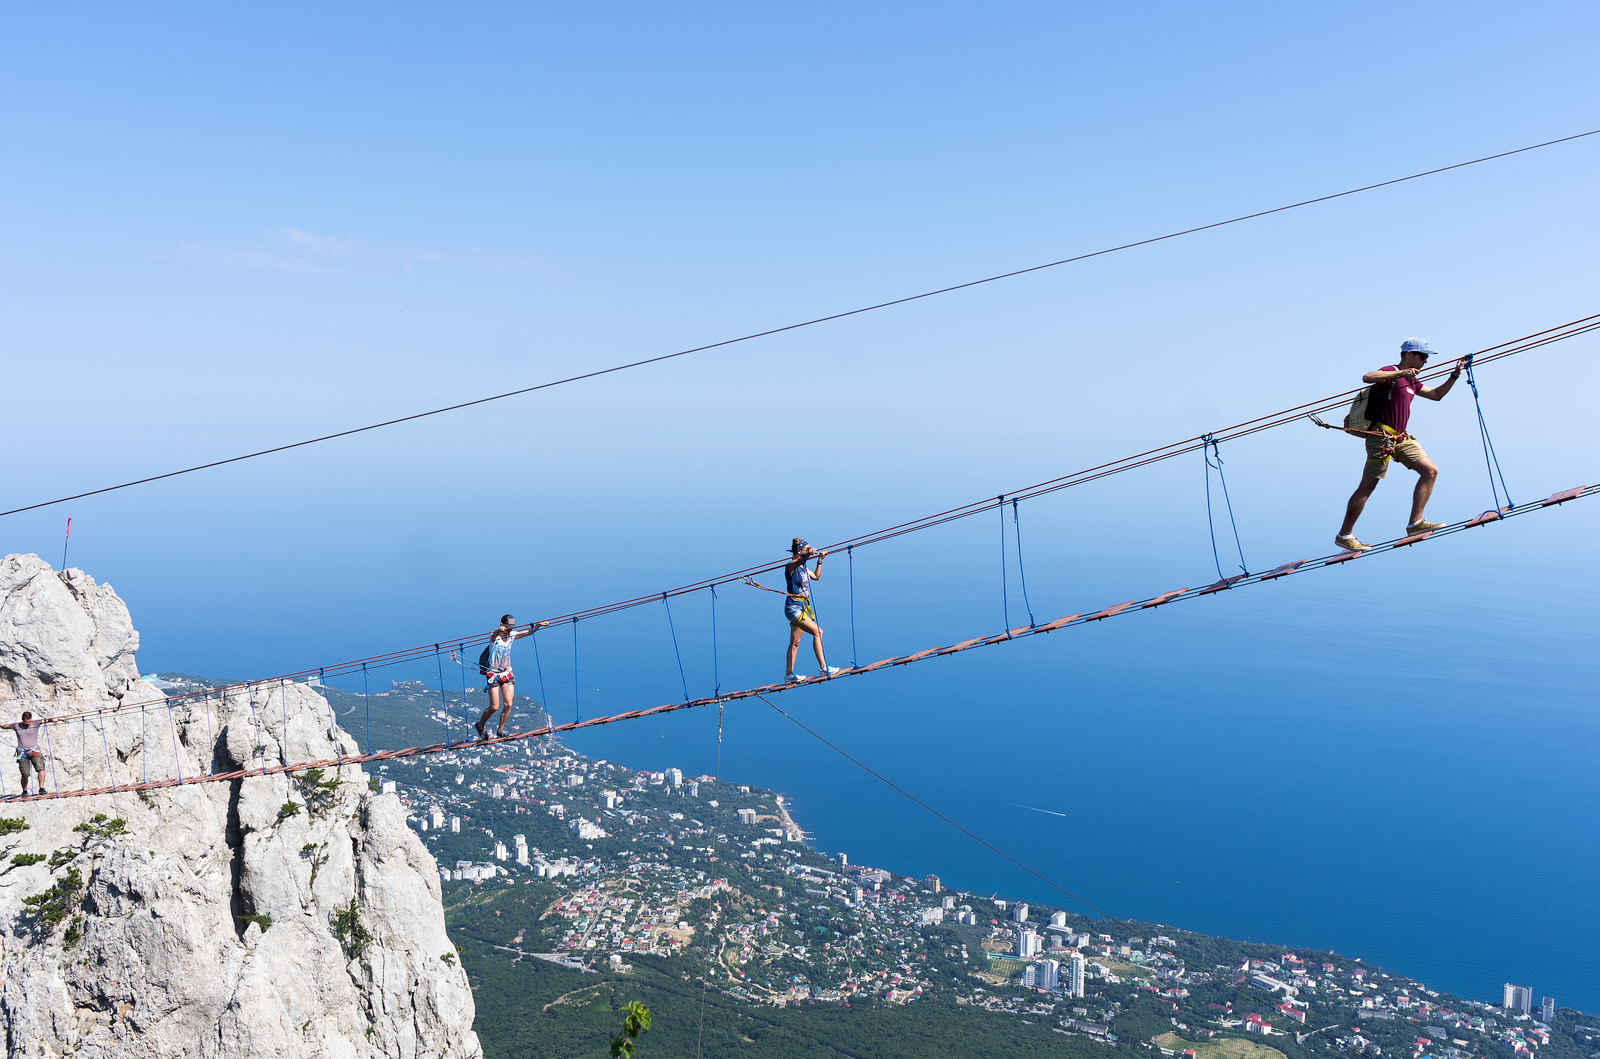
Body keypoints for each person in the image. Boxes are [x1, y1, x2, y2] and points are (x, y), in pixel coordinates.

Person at [1335, 338, 1464, 552]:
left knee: (1430, 471)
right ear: (1408, 354)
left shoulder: (1412, 381)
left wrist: (1455, 375)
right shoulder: (1392, 372)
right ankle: (1344, 535)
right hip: (1380, 437)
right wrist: (1399, 374)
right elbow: (1368, 377)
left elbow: (1436, 395)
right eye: (1423, 356)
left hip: (1401, 438)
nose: (1426, 361)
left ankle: (1415, 523)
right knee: (1368, 486)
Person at [743, 538, 844, 684]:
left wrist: (820, 560)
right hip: (793, 608)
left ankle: (789, 675)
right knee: (818, 632)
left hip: (801, 608)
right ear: (800, 551)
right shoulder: (791, 566)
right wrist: (808, 554)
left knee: (795, 642)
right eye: (807, 548)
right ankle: (823, 668)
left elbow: (816, 577)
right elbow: (800, 560)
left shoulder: (803, 567)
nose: (810, 549)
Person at [476, 614, 548, 740]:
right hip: (493, 673)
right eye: (508, 627)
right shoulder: (495, 637)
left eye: (511, 627)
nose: (510, 629)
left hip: (506, 672)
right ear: (501, 625)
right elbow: (493, 635)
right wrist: (499, 630)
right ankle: (480, 726)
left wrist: (537, 626)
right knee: (494, 706)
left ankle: (500, 730)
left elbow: (528, 632)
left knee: (508, 704)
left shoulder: (512, 636)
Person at [9, 711, 46, 796]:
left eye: (29, 721)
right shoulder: (16, 725)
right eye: (26, 722)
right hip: (23, 753)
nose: (27, 723)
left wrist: (54, 720)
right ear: (22, 720)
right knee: (25, 774)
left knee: (41, 769)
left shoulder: (35, 723)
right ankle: (24, 791)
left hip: (34, 751)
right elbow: (6, 726)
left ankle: (41, 788)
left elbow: (46, 720)